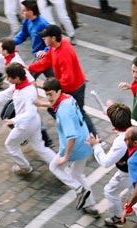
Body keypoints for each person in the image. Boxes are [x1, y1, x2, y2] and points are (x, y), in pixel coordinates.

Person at [0, 63, 56, 176]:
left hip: (25, 125)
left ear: (17, 78)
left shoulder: (27, 92)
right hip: (33, 122)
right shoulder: (18, 86)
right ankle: (59, 165)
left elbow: (30, 112)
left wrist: (14, 120)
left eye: (9, 77)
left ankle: (24, 167)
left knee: (10, 145)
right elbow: (4, 94)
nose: (7, 79)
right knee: (40, 147)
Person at [42, 77, 98, 216]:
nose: (49, 98)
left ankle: (79, 190)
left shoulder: (63, 112)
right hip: (85, 141)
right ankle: (91, 205)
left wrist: (66, 157)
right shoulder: (68, 98)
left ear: (58, 91)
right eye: (46, 95)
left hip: (75, 147)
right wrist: (42, 103)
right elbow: (56, 105)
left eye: (51, 95)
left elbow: (71, 137)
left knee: (54, 167)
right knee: (77, 174)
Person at [28, 24, 97, 136]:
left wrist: (46, 85)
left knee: (79, 113)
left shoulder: (64, 54)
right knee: (55, 109)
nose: (43, 38)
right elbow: (46, 62)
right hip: (66, 87)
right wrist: (29, 67)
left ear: (53, 38)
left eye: (46, 36)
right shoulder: (54, 47)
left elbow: (67, 80)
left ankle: (95, 138)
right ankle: (70, 127)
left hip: (74, 89)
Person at [88, 103, 133, 226]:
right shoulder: (134, 124)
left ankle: (117, 217)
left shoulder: (121, 142)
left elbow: (106, 162)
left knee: (110, 191)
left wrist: (96, 146)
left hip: (127, 172)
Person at [14, 1, 54, 79]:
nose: (22, 12)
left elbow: (52, 41)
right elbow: (23, 33)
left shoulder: (43, 24)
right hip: (39, 56)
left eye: (24, 11)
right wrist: (13, 42)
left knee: (29, 78)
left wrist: (45, 51)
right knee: (53, 78)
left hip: (43, 57)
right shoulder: (27, 20)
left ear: (31, 12)